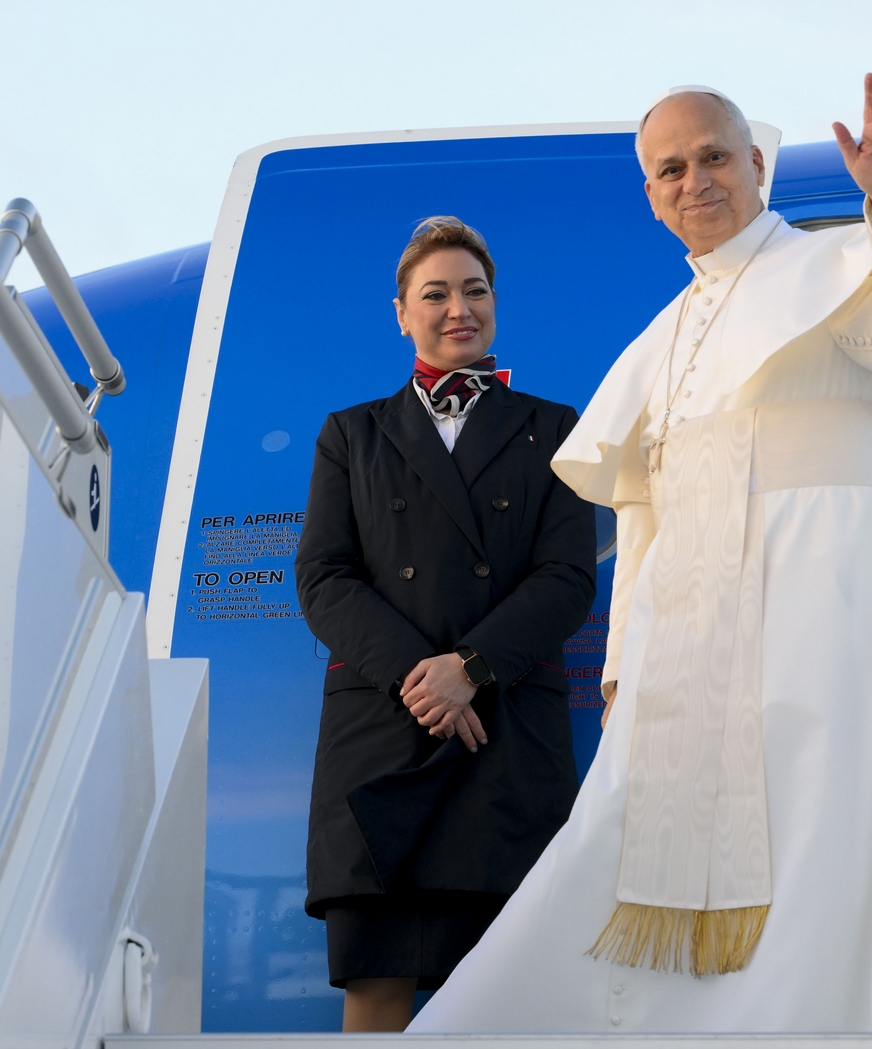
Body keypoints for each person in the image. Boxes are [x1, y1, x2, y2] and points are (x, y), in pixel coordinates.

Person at [411, 71, 872, 1034]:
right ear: (652, 197)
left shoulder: (840, 262)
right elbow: (643, 513)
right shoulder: (661, 337)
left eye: (712, 157)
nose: (694, 180)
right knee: (630, 838)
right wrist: (623, 666)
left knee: (820, 826)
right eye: (670, 170)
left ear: (755, 164)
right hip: (688, 643)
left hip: (822, 604)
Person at [292, 216, 597, 1031]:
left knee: (509, 1001)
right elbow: (323, 577)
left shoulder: (555, 428)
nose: (459, 308)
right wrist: (421, 676)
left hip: (502, 736)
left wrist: (471, 667)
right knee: (377, 988)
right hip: (385, 736)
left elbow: (568, 578)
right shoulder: (351, 433)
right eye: (436, 294)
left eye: (475, 290)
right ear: (402, 313)